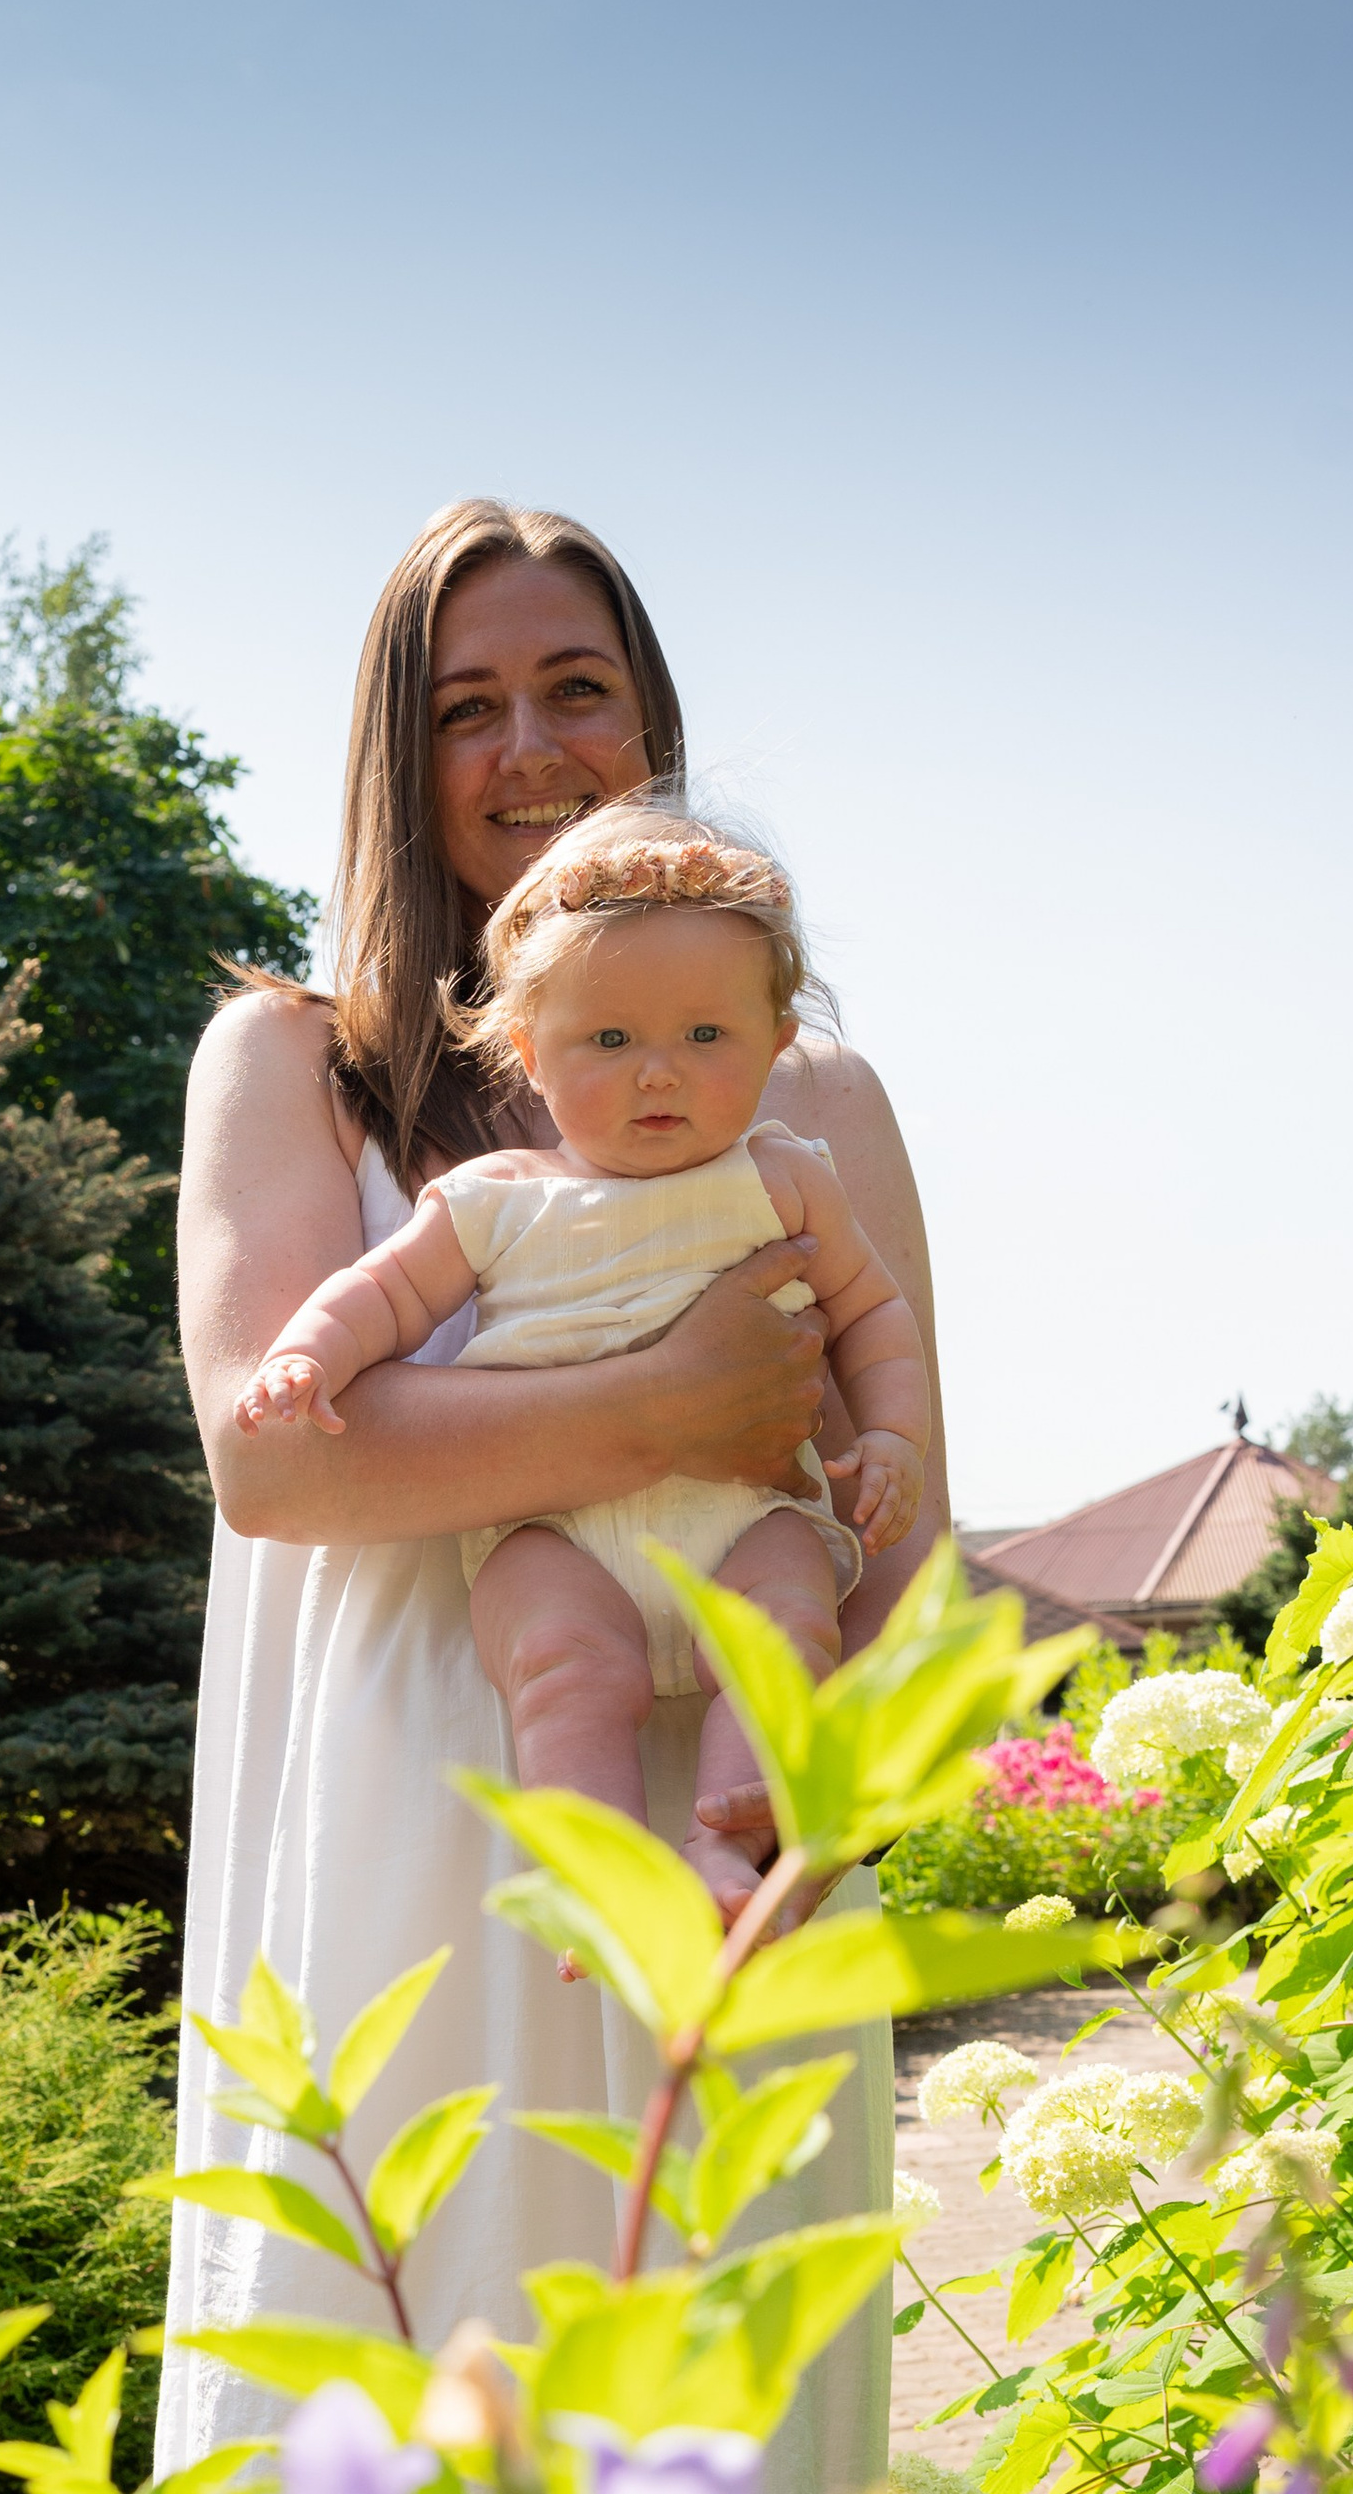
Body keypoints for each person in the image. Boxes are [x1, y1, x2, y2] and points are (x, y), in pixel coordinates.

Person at [131, 499, 950, 2494]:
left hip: (731, 1851)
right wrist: (675, 1406)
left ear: (648, 716)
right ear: (394, 757)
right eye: (463, 704)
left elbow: (902, 1499)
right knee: (408, 2412)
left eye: (572, 687)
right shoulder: (297, 1064)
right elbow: (279, 1458)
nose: (525, 746)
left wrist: (825, 1775)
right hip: (408, 1849)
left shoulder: (813, 1096)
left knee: (717, 2429)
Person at [231, 802, 930, 1924]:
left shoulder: (788, 1178)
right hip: (552, 1533)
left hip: (747, 1515)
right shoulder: (496, 1197)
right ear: (530, 1052)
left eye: (705, 1036)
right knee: (561, 1669)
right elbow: (385, 1295)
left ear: (774, 1042)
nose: (660, 1073)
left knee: (786, 1633)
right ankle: (595, 1872)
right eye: (610, 1041)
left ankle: (726, 1842)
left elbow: (873, 1314)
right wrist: (309, 1351)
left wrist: (892, 1434)